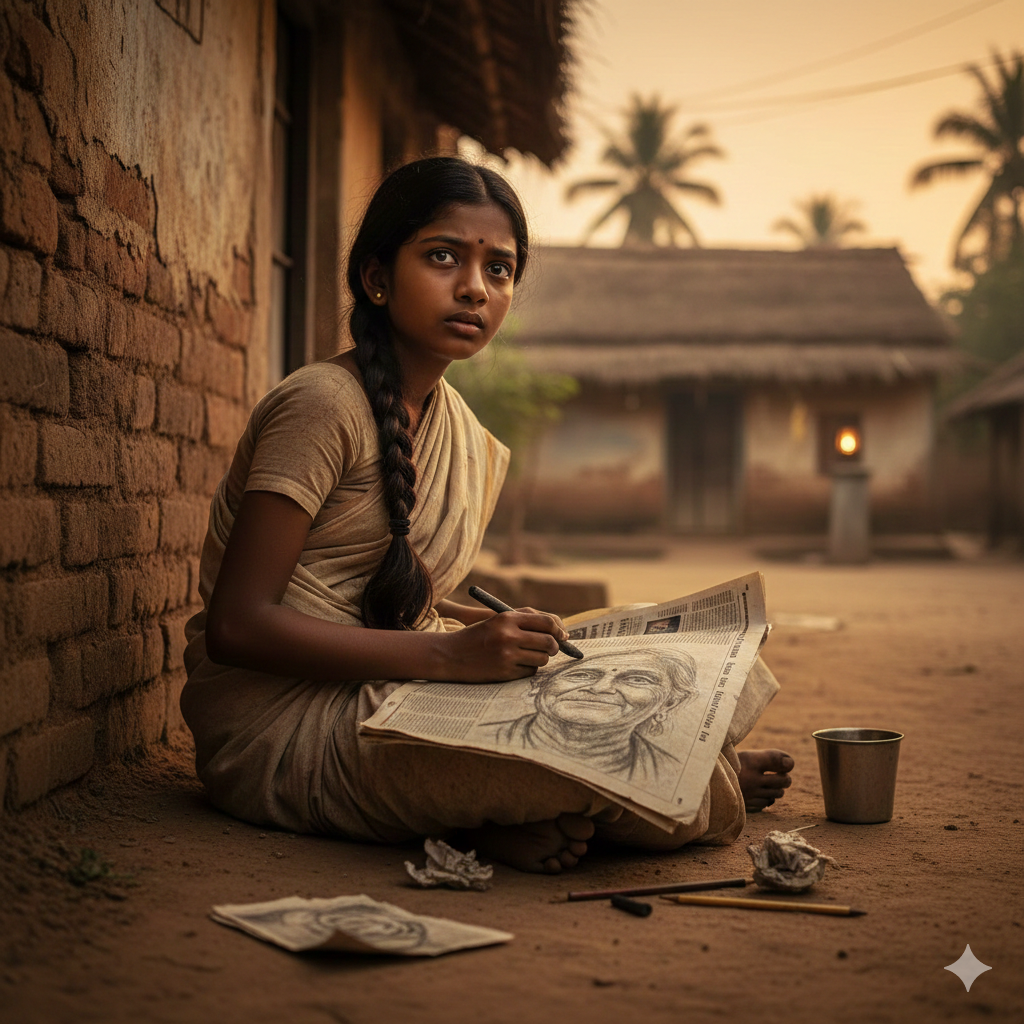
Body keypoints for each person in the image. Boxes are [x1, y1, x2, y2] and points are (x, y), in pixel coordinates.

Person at [180, 157, 793, 875]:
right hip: (284, 728)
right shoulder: (323, 406)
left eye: (499, 269)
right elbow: (238, 625)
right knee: (621, 763)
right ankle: (646, 782)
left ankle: (511, 805)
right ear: (376, 277)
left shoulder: (457, 430)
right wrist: (450, 655)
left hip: (396, 688)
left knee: (649, 674)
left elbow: (391, 606)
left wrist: (495, 636)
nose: (474, 287)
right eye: (443, 257)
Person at [489, 648, 701, 784]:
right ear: (539, 685)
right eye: (582, 675)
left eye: (637, 679)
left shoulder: (671, 772)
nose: (600, 688)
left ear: (669, 703)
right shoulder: (488, 741)